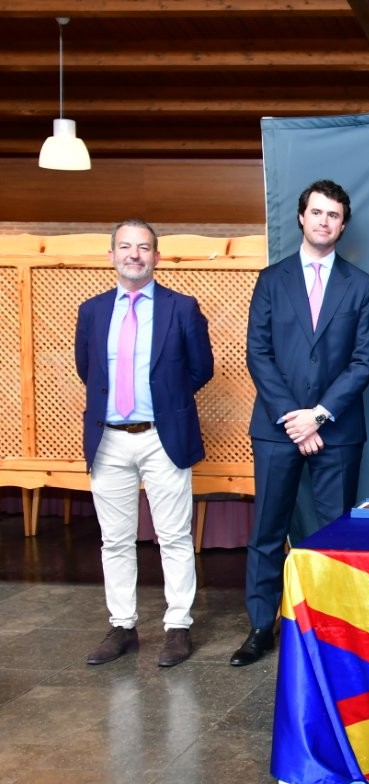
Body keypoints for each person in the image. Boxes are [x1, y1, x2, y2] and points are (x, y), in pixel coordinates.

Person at [235, 179, 369, 667]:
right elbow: (259, 353)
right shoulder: (270, 280)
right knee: (268, 532)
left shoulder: (360, 285)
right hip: (277, 428)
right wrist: (293, 418)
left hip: (336, 430)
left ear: (343, 224)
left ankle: (330, 628)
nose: (324, 221)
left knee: (334, 535)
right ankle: (260, 626)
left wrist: (317, 415)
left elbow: (364, 361)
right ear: (301, 217)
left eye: (334, 215)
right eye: (317, 212)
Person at [76, 220, 214, 667]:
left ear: (156, 256)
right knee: (114, 540)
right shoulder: (92, 311)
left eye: (143, 248)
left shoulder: (182, 308)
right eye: (125, 247)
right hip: (109, 440)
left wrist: (167, 401)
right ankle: (122, 626)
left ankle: (178, 626)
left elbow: (201, 369)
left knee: (173, 536)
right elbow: (88, 370)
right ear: (111, 255)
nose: (134, 254)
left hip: (162, 436)